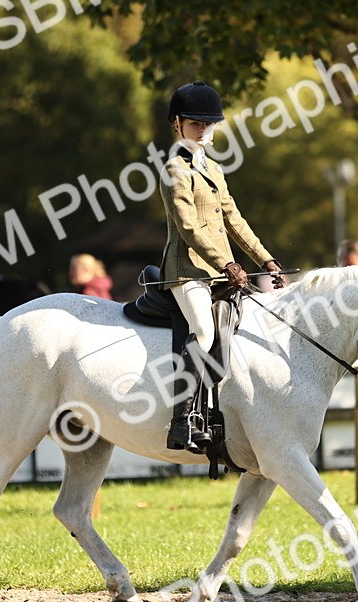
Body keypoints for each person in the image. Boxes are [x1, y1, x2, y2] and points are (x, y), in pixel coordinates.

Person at [159, 80, 284, 453]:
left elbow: (234, 220)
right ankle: (181, 422)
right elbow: (189, 227)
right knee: (203, 331)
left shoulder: (212, 168)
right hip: (187, 270)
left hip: (219, 270)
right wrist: (226, 262)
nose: (203, 130)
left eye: (208, 124)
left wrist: (265, 258)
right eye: (196, 124)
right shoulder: (173, 170)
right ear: (178, 124)